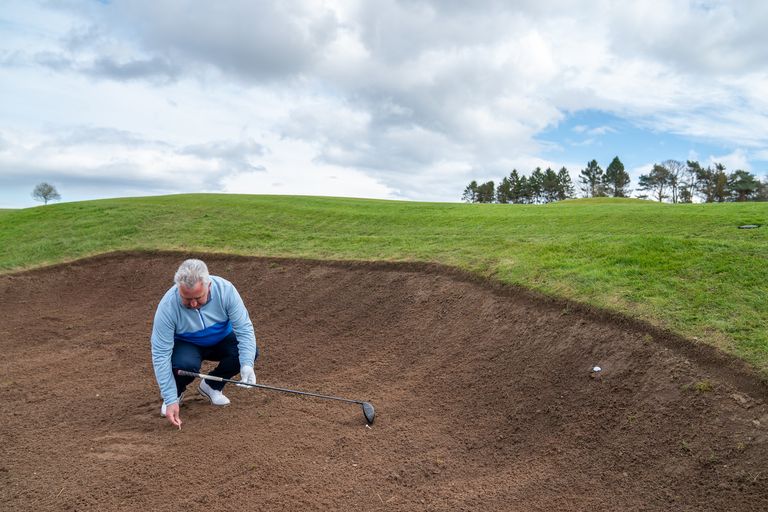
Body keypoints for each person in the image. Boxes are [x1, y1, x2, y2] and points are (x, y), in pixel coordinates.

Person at [150, 259, 258, 428]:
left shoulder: (226, 290)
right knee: (184, 366)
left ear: (209, 286)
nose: (193, 304)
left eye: (198, 298)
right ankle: (176, 393)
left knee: (247, 352)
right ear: (178, 289)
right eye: (187, 299)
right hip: (187, 344)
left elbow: (244, 329)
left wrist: (247, 364)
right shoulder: (167, 306)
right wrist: (169, 399)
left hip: (221, 338)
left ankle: (212, 386)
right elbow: (160, 353)